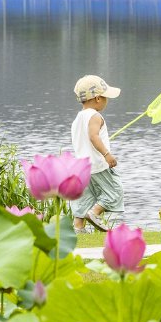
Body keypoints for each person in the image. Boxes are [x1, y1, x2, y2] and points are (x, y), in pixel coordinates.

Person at [69, 75, 122, 230]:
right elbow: (93, 136)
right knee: (115, 191)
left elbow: (85, 139)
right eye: (106, 97)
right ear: (98, 98)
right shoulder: (95, 116)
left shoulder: (78, 118)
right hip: (97, 165)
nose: (107, 101)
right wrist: (107, 154)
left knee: (84, 198)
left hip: (82, 167)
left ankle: (78, 228)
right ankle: (95, 212)